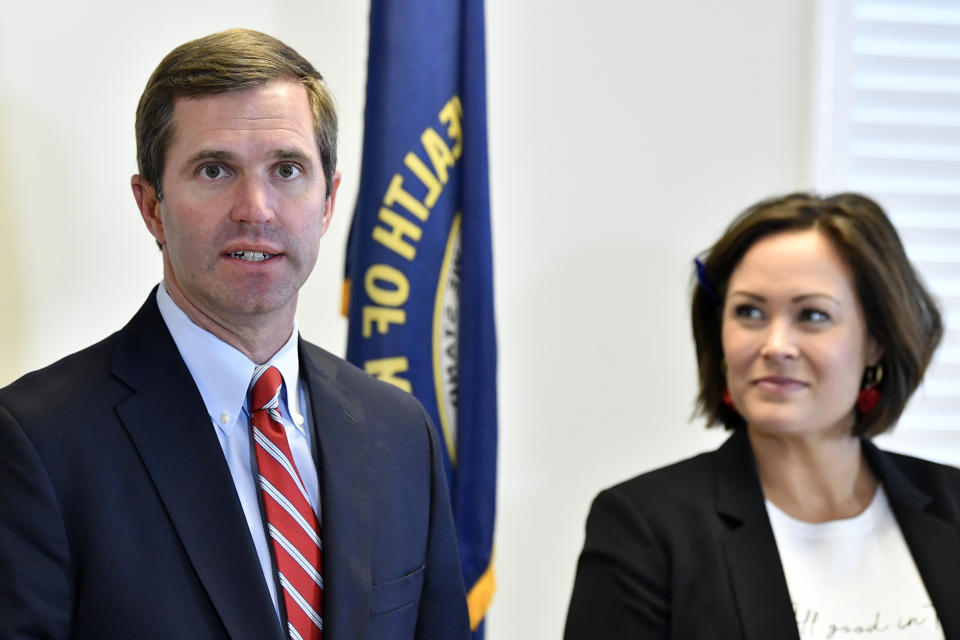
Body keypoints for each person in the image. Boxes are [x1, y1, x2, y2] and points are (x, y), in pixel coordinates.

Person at [0, 29, 470, 640]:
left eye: (287, 169)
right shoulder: (36, 443)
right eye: (215, 169)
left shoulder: (400, 431)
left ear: (329, 202)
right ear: (151, 206)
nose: (257, 207)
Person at [564, 193, 960, 639]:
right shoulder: (644, 525)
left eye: (812, 315)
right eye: (749, 312)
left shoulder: (953, 504)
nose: (775, 345)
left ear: (876, 340)